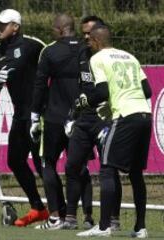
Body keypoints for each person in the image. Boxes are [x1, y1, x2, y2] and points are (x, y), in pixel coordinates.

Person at [77, 24, 152, 238]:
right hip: (144, 115)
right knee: (136, 174)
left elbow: (100, 91)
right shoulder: (130, 57)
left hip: (125, 116)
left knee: (107, 169)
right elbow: (147, 90)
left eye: (89, 40)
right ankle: (140, 227)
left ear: (98, 41)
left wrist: (84, 101)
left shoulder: (97, 59)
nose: (87, 43)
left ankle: (103, 227)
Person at [0, 9, 49, 227]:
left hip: (39, 114)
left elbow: (54, 62)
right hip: (20, 115)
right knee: (14, 161)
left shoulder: (33, 45)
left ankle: (59, 213)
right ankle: (38, 208)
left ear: (16, 26)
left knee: (43, 165)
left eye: (4, 24)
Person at [30, 14, 89, 230]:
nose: (52, 32)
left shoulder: (50, 50)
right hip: (80, 117)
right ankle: (76, 217)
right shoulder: (86, 49)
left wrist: (35, 115)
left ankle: (55, 217)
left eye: (54, 29)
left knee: (48, 163)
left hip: (54, 117)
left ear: (61, 29)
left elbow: (40, 85)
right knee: (78, 167)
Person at [63, 16, 121, 231]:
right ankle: (71, 217)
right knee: (73, 165)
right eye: (84, 33)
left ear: (100, 34)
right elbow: (80, 88)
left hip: (105, 118)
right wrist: (72, 115)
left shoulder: (111, 57)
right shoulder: (81, 54)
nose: (86, 37)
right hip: (84, 118)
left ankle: (113, 219)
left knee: (109, 168)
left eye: (90, 33)